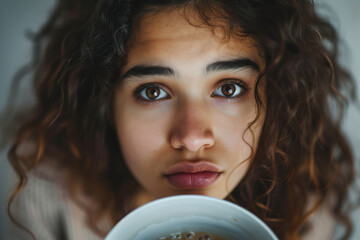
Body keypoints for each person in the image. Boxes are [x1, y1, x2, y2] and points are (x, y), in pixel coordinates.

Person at [4, 0, 357, 239]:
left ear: (275, 99)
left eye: (230, 88)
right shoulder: (43, 197)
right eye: (153, 92)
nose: (191, 138)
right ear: (105, 105)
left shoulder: (308, 210)